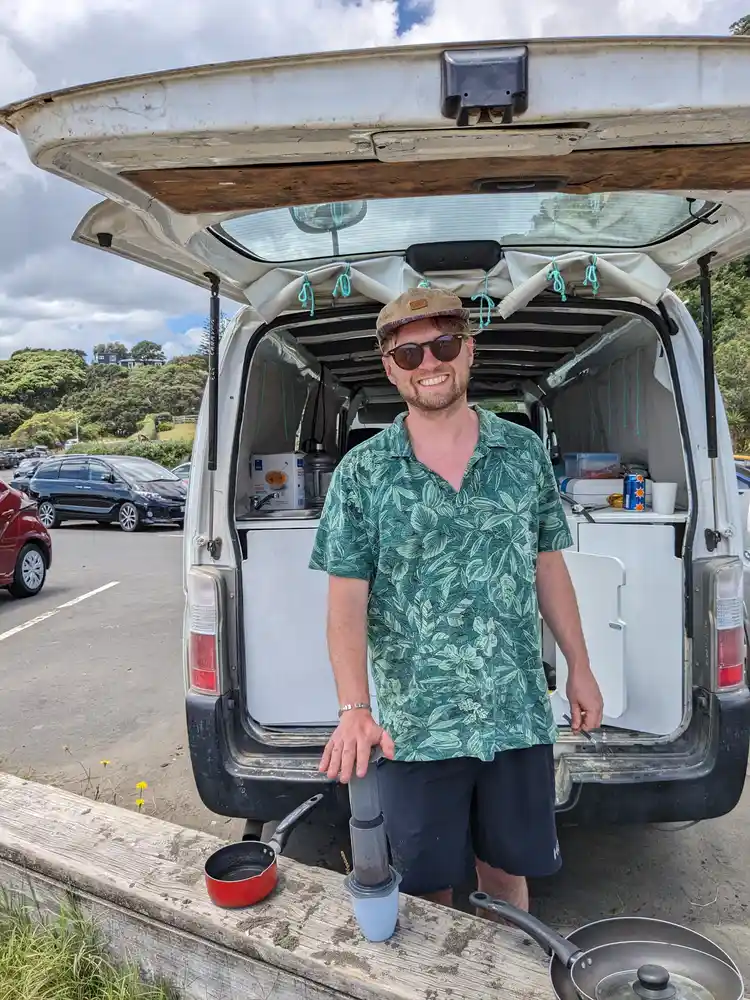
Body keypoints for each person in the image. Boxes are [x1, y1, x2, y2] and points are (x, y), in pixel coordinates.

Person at [309, 287, 603, 911]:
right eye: (408, 353)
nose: (429, 363)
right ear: (390, 367)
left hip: (515, 714)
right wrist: (353, 707)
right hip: (416, 727)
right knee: (425, 889)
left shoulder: (522, 454)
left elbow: (549, 567)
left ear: (469, 351)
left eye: (444, 345)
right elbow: (345, 604)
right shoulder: (363, 473)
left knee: (506, 878)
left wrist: (580, 666)